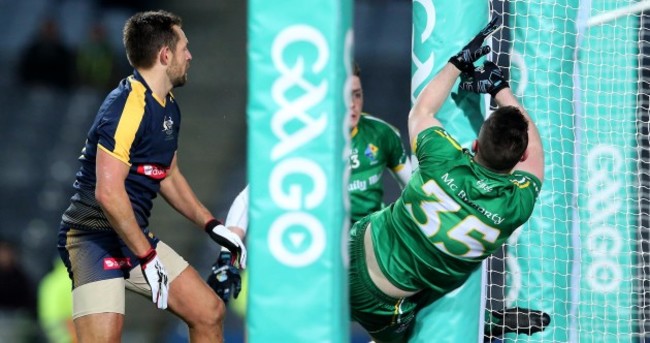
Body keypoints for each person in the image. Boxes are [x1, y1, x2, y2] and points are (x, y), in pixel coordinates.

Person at [348, 16, 545, 343]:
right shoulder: (516, 205)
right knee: (425, 306)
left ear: (476, 145)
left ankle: (485, 320)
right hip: (382, 299)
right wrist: (502, 92)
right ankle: (485, 322)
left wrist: (462, 66)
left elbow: (421, 112)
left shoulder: (442, 159)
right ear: (520, 159)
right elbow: (536, 151)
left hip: (355, 243)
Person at [56, 10, 246, 343]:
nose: (190, 54)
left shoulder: (168, 105)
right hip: (93, 238)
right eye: (184, 47)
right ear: (165, 54)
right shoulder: (126, 106)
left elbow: (168, 175)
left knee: (209, 312)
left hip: (132, 237)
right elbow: (108, 193)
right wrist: (147, 256)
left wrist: (213, 226)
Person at [348, 63, 412, 225]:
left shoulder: (382, 133)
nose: (352, 105)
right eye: (346, 95)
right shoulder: (309, 141)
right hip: (325, 238)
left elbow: (414, 192)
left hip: (369, 234)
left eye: (357, 95)